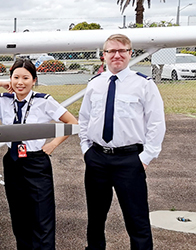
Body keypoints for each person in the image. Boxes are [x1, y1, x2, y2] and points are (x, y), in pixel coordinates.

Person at [0, 58, 78, 249]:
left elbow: (73, 123)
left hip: (36, 163)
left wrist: (53, 144)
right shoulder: (3, 100)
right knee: (19, 217)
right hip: (12, 161)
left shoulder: (44, 102)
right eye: (16, 77)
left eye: (26, 78)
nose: (20, 82)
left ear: (34, 80)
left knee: (42, 217)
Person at [79, 34, 166, 250]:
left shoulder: (144, 85)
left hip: (130, 160)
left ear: (130, 54)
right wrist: (86, 151)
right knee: (96, 221)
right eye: (111, 51)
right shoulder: (94, 84)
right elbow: (84, 119)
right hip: (97, 159)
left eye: (122, 51)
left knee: (137, 222)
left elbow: (156, 122)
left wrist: (145, 158)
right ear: (104, 55)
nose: (116, 55)